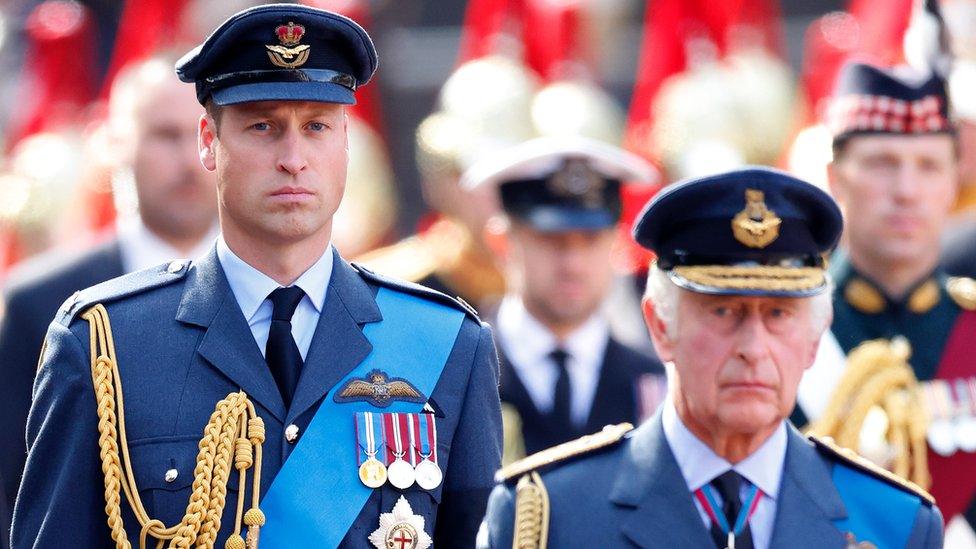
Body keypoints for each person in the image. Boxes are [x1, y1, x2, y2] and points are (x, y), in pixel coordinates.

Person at [12, 5, 501, 548]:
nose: (293, 158)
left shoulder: (445, 345)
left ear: (345, 143)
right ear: (208, 141)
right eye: (263, 126)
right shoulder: (105, 345)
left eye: (316, 127)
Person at [482, 167, 944, 549]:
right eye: (724, 311)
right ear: (661, 327)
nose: (753, 346)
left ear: (814, 338)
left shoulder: (894, 523)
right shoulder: (549, 515)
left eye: (779, 315)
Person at [0, 52, 218, 537]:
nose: (189, 159)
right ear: (115, 145)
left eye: (203, 134)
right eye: (165, 135)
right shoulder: (39, 303)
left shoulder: (278, 291)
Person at [793, 61, 976, 534]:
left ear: (956, 180)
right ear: (836, 177)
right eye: (882, 164)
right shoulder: (784, 327)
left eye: (929, 166)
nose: (906, 191)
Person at [460, 137, 665, 463]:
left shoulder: (655, 386)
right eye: (551, 240)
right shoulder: (459, 371)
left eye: (590, 240)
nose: (573, 264)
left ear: (616, 242)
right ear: (501, 241)